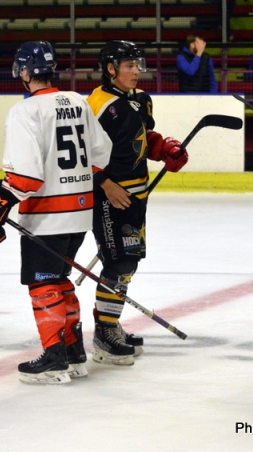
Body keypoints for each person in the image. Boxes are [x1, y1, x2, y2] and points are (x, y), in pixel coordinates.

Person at [0, 41, 112, 384]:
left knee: (42, 282)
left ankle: (54, 358)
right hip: (79, 211)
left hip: (47, 214)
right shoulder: (78, 101)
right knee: (59, 279)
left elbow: (25, 177)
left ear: (25, 73)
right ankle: (74, 352)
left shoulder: (25, 111)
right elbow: (102, 154)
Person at [86, 41, 189, 366]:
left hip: (136, 194)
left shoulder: (141, 100)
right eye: (128, 66)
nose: (136, 71)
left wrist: (166, 150)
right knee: (118, 263)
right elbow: (82, 152)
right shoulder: (97, 104)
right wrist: (104, 183)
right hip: (109, 196)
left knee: (128, 262)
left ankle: (111, 322)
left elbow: (146, 138)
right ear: (110, 68)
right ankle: (104, 334)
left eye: (137, 65)